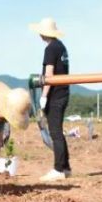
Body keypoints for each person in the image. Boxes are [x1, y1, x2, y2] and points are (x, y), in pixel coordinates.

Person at [30, 18, 71, 181]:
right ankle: (65, 167)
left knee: (55, 132)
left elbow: (49, 75)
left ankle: (58, 169)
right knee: (58, 132)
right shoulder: (61, 47)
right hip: (63, 92)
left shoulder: (50, 49)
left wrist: (44, 95)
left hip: (55, 95)